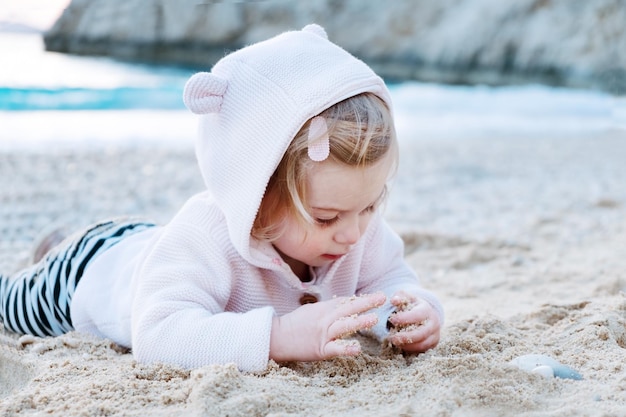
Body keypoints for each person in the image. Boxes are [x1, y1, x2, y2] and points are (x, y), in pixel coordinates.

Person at [0, 24, 443, 372]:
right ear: (256, 199)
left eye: (369, 206)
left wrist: (411, 311)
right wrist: (282, 335)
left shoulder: (355, 226)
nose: (354, 233)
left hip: (153, 246)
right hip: (89, 272)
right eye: (326, 218)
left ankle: (52, 240)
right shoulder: (204, 235)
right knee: (11, 304)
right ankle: (57, 250)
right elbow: (157, 335)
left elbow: (389, 279)